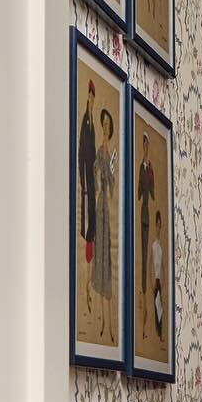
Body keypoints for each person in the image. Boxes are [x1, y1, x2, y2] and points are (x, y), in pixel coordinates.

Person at [90, 107, 116, 320]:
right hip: (101, 205)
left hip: (107, 206)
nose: (106, 128)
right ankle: (99, 314)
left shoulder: (109, 154)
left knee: (107, 249)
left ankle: (107, 316)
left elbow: (112, 186)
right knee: (100, 248)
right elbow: (98, 178)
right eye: (104, 124)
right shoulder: (100, 152)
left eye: (108, 125)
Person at [78, 78, 98, 320]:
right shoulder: (85, 122)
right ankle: (84, 289)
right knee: (87, 235)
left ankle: (88, 287)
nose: (92, 100)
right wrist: (85, 187)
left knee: (92, 235)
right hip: (86, 187)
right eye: (91, 97)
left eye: (94, 97)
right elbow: (83, 156)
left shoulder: (92, 123)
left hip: (92, 188)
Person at [136, 135, 156, 299]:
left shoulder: (149, 169)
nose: (145, 147)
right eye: (144, 144)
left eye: (147, 144)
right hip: (141, 212)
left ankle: (144, 288)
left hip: (147, 213)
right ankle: (142, 288)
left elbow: (153, 193)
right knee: (141, 250)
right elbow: (138, 192)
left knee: (146, 250)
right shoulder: (141, 168)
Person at [151, 210, 165, 341]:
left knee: (161, 305)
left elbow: (163, 266)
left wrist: (164, 282)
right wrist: (152, 282)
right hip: (155, 280)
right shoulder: (154, 245)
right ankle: (158, 333)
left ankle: (160, 333)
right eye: (157, 224)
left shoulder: (160, 246)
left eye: (160, 225)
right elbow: (151, 264)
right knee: (156, 306)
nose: (159, 227)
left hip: (160, 280)